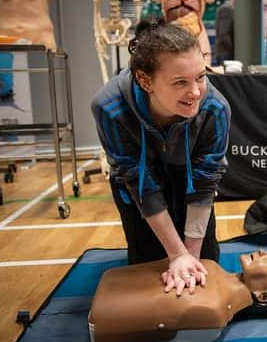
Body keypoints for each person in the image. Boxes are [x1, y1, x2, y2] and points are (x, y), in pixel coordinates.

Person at [91, 20, 230, 296]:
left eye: (200, 77)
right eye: (180, 82)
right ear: (145, 80)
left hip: (187, 176)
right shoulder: (109, 106)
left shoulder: (215, 108)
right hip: (139, 182)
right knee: (149, 267)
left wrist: (188, 256)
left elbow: (205, 181)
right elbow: (137, 180)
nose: (195, 92)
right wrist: (175, 254)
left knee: (205, 263)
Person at [89, 250, 267, 342]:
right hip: (110, 297)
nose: (263, 251)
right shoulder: (212, 268)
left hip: (105, 315)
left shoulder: (213, 310)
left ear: (263, 296)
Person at [214, 0, 234, 64]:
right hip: (226, 53)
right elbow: (224, 34)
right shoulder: (226, 9)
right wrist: (234, 49)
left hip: (225, 52)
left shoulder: (226, 8)